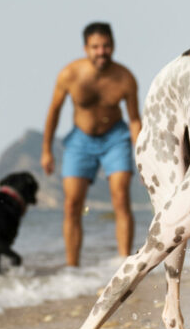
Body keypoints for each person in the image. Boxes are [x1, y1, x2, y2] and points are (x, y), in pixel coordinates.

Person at [42, 22, 141, 267]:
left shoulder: (125, 78)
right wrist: (46, 150)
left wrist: (140, 152)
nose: (101, 52)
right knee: (72, 204)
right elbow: (54, 111)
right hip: (80, 140)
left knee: (120, 198)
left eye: (106, 46)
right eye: (95, 47)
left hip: (115, 139)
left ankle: (123, 264)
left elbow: (134, 119)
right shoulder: (70, 75)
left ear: (113, 46)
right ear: (86, 48)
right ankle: (72, 269)